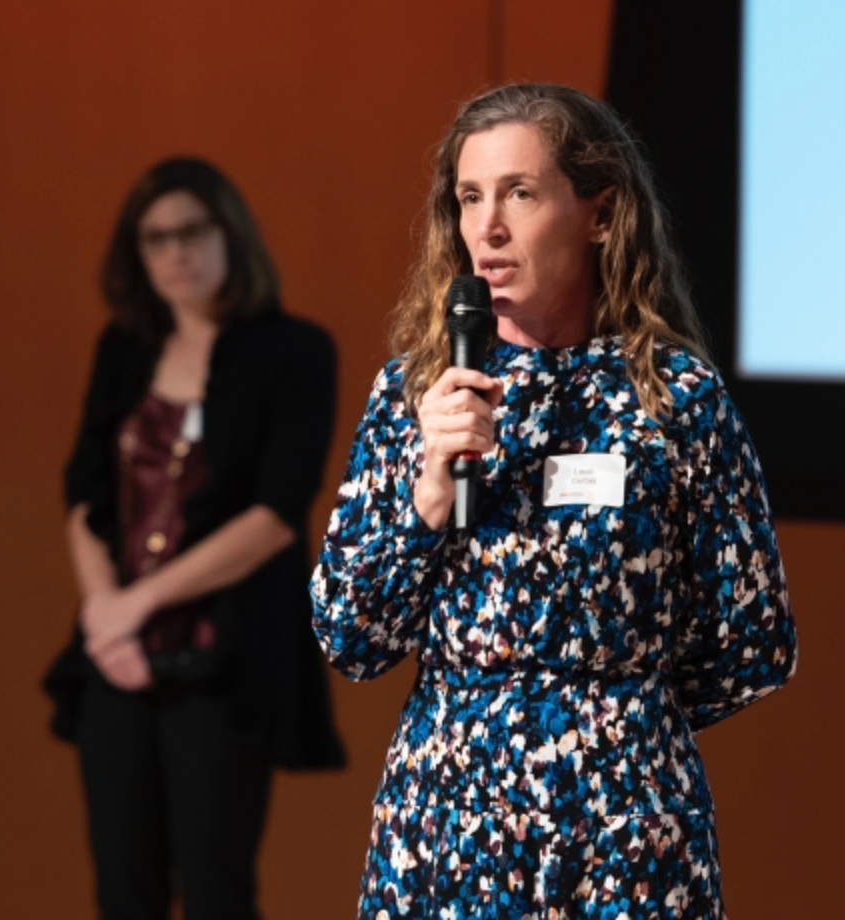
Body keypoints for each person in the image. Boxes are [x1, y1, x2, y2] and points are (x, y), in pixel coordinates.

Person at [311, 84, 797, 919]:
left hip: (628, 821)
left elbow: (752, 640)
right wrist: (426, 499)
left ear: (600, 214)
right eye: (469, 198)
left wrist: (612, 707)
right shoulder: (416, 396)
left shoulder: (676, 397)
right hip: (451, 813)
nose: (487, 228)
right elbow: (349, 637)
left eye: (520, 193)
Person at [45, 157, 345, 919]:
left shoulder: (295, 351)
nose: (176, 253)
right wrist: (104, 613)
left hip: (224, 657)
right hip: (116, 657)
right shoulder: (125, 348)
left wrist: (132, 604)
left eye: (192, 231)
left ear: (230, 233)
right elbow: (83, 493)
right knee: (124, 890)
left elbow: (278, 514)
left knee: (218, 892)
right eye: (155, 239)